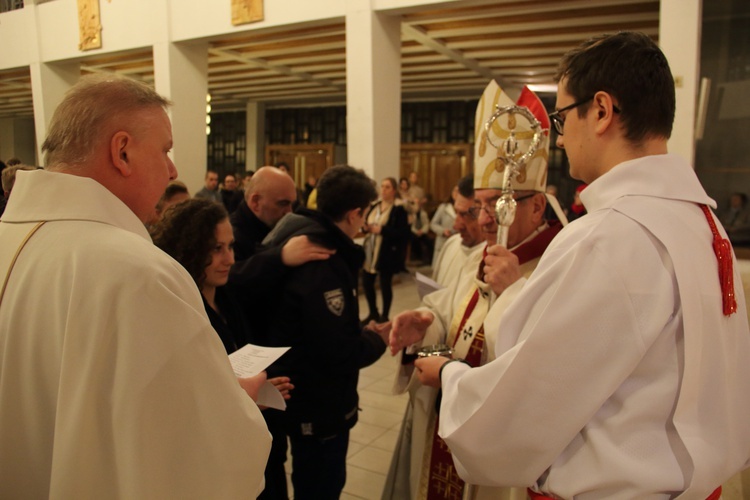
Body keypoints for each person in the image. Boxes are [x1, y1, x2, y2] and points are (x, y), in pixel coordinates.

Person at [415, 32, 750, 499]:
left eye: (561, 116)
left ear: (600, 111)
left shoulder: (613, 235)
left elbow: (530, 398)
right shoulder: (701, 221)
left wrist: (449, 376)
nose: (558, 136)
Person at [0, 73, 271, 498]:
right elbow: (203, 457)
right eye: (164, 150)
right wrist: (237, 400)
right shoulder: (138, 272)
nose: (173, 169)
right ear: (122, 151)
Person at [384, 82, 562, 500]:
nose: (484, 220)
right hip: (448, 424)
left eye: (498, 206)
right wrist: (425, 323)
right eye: (479, 205)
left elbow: (546, 367)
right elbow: (450, 318)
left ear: (537, 206)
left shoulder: (559, 265)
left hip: (500, 447)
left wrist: (513, 291)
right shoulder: (479, 254)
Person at [261, 165, 390, 499]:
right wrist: (379, 338)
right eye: (365, 215)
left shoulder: (302, 236)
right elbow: (337, 352)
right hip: (318, 406)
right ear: (355, 213)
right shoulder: (324, 261)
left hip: (300, 395)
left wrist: (359, 329)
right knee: (320, 485)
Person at [229, 164, 333, 500]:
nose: (291, 212)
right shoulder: (233, 232)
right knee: (264, 462)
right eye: (283, 205)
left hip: (276, 362)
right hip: (248, 364)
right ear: (256, 201)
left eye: (294, 204)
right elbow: (230, 280)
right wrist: (279, 258)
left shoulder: (281, 225)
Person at [152, 198, 293, 400]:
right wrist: (244, 400)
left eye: (230, 246)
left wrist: (258, 389)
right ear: (191, 250)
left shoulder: (228, 295)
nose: (230, 259)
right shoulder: (179, 310)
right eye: (217, 248)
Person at [362, 177, 410, 323]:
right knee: (367, 282)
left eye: (387, 187)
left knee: (385, 284)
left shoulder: (398, 209)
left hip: (386, 252)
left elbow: (402, 233)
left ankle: (385, 315)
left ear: (394, 190)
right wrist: (365, 228)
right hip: (370, 249)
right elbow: (367, 222)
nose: (383, 190)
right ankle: (373, 312)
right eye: (382, 186)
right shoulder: (375, 205)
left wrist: (382, 230)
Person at [430, 175, 484, 288]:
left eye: (465, 215)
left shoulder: (492, 261)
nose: (456, 226)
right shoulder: (451, 244)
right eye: (457, 213)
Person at [429, 185, 458, 267]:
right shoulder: (444, 207)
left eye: (459, 192)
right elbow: (433, 224)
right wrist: (442, 231)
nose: (456, 194)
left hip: (456, 243)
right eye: (455, 191)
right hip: (443, 242)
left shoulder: (464, 208)